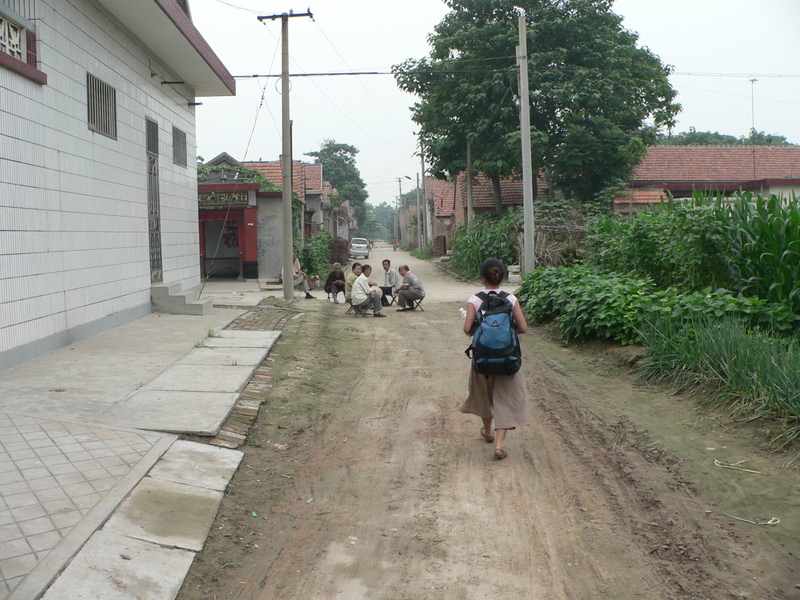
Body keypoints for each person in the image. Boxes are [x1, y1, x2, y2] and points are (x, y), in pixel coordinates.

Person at [459, 258, 529, 460]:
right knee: (504, 399)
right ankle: (499, 446)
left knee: (484, 394)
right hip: (507, 358)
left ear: (482, 277)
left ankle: (487, 432)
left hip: (482, 359)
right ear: (503, 277)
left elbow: (467, 330)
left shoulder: (475, 299)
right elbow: (523, 328)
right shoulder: (511, 299)